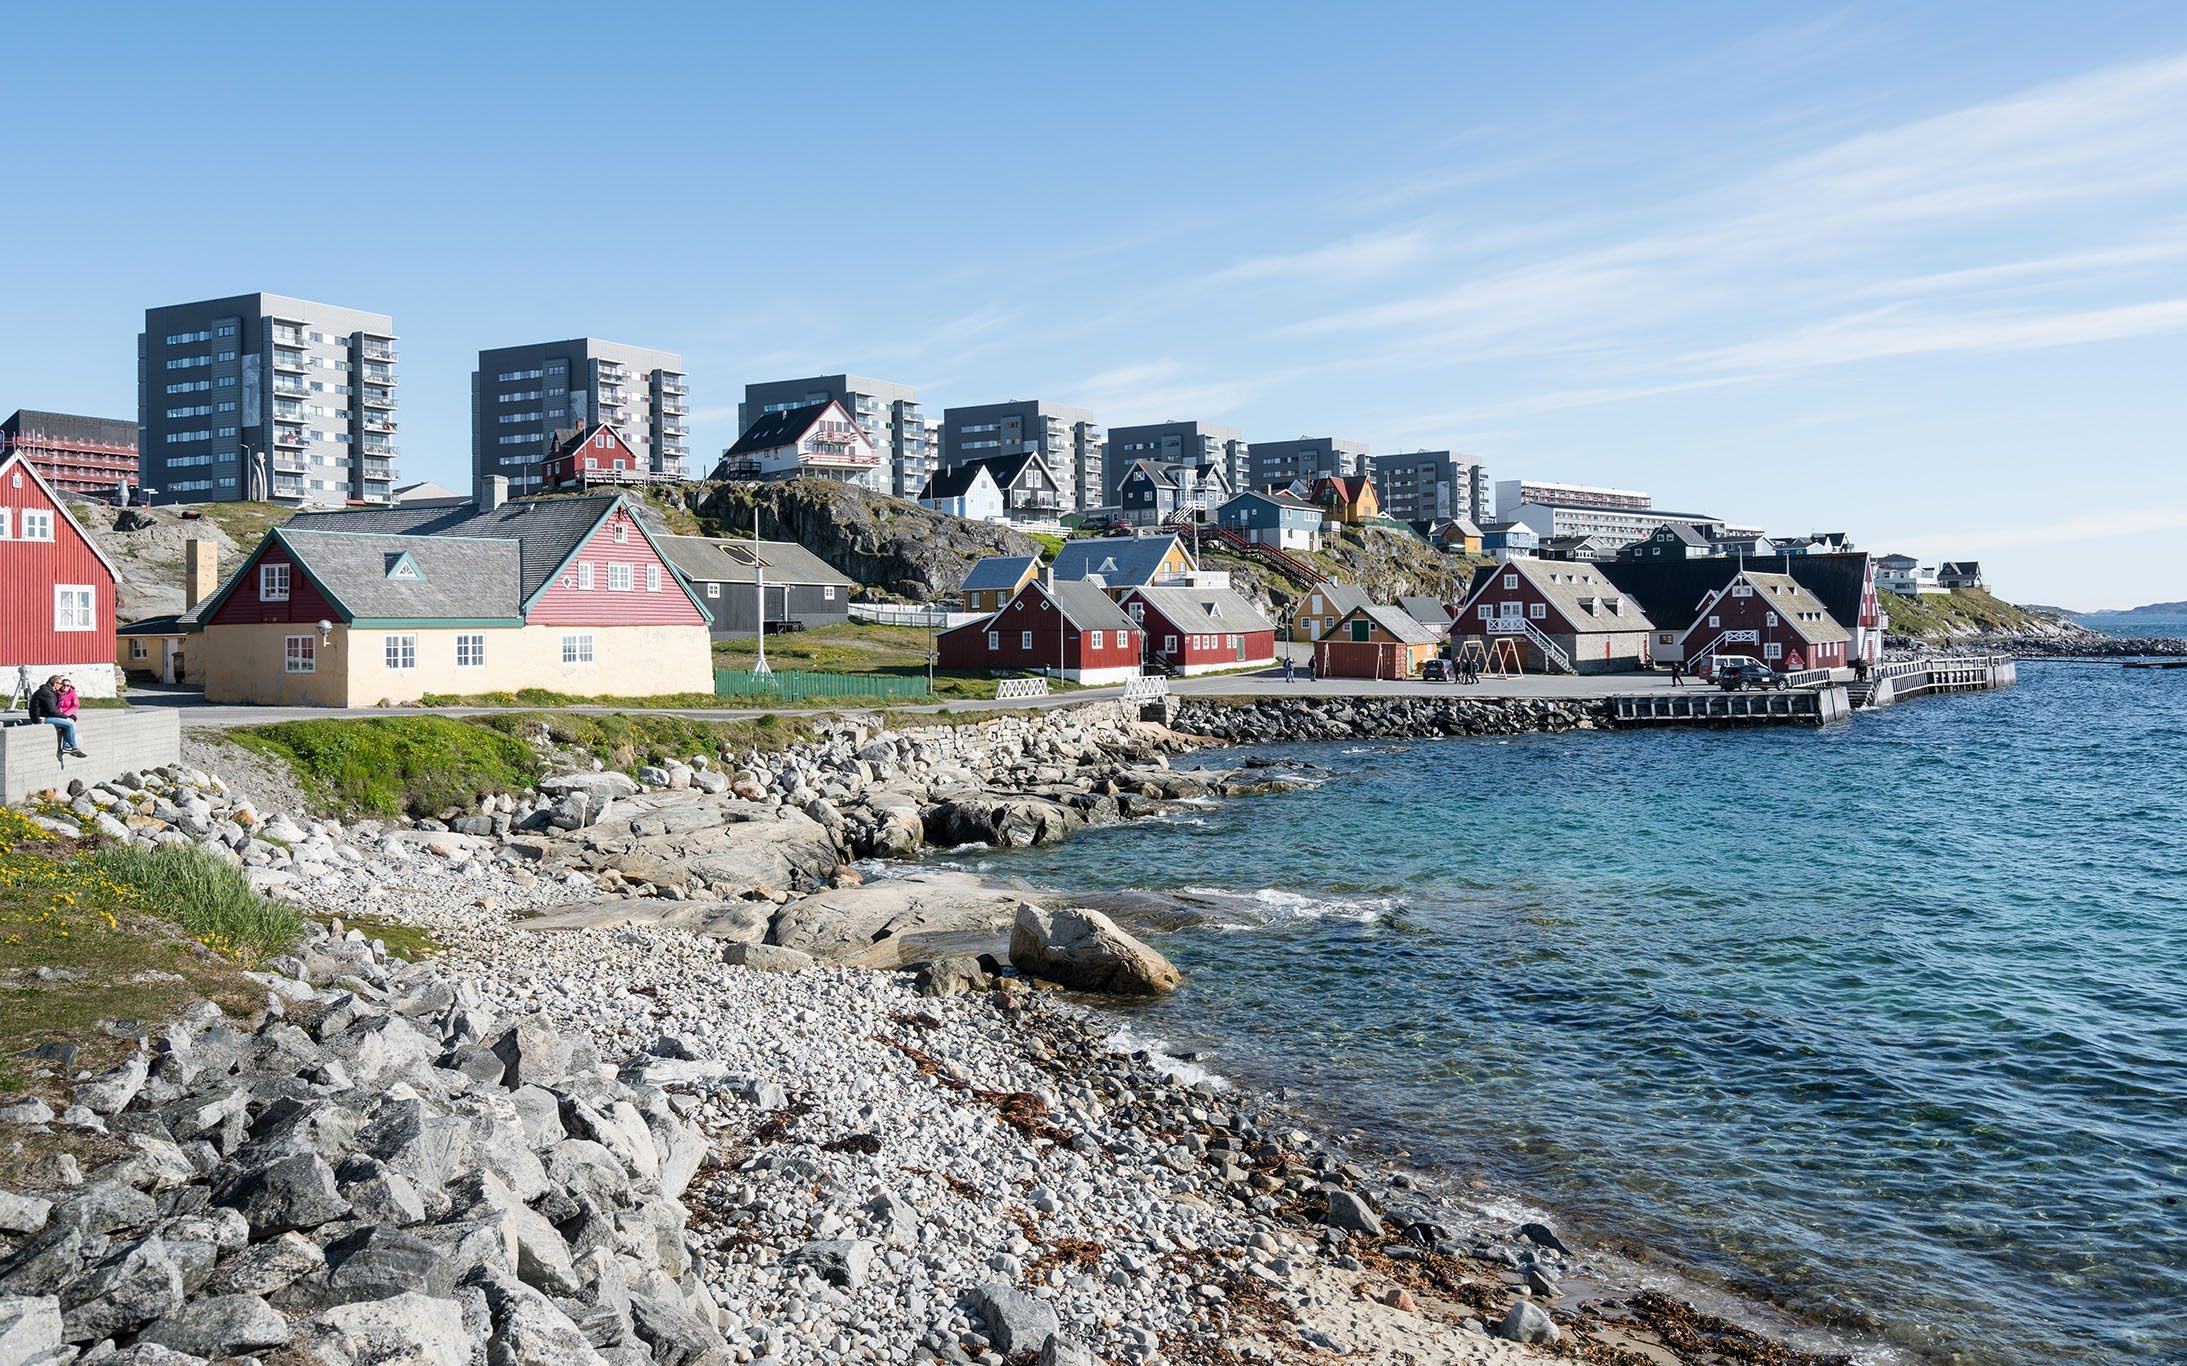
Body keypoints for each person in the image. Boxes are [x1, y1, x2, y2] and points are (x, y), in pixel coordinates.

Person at [30, 676, 88, 757]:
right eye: (61, 684)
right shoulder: (47, 693)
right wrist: (65, 717)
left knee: (68, 722)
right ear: (55, 684)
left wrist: (65, 717)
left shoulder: (48, 691)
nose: (61, 686)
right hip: (40, 718)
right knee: (70, 723)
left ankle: (67, 746)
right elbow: (52, 711)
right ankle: (74, 748)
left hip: (45, 716)